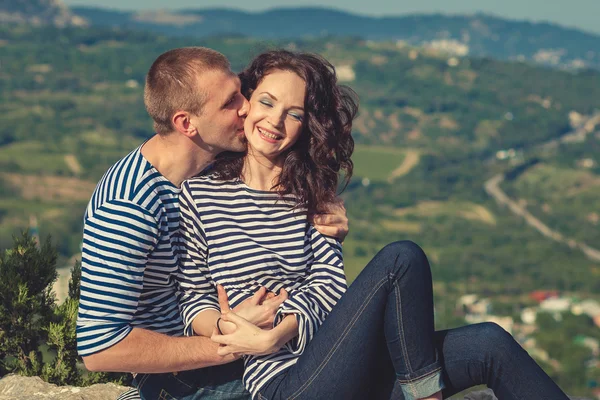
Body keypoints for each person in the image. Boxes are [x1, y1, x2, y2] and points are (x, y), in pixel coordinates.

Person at [178, 50, 570, 400]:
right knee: (401, 259)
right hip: (288, 383)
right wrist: (233, 327)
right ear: (247, 105)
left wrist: (279, 330)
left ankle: (421, 390)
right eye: (267, 101)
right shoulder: (200, 195)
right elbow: (193, 300)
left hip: (342, 358)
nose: (275, 121)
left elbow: (330, 287)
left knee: (489, 343)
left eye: (294, 114)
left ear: (305, 125)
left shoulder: (313, 195)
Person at [75, 47, 350, 400]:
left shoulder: (211, 163)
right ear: (186, 124)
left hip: (236, 354)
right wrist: (234, 343)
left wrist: (327, 214)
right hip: (188, 377)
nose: (247, 107)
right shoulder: (129, 206)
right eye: (230, 103)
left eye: (240, 92)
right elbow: (100, 348)